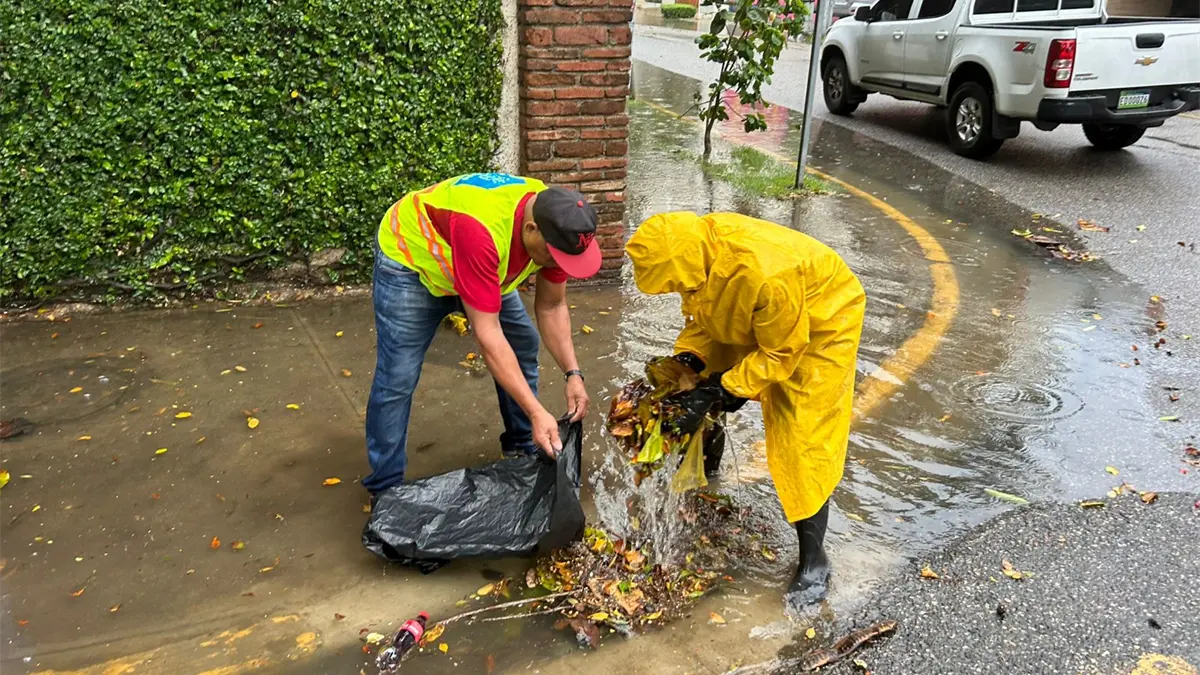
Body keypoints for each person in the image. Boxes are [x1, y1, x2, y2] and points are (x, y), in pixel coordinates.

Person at [625, 211, 866, 611]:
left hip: (821, 322)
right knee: (696, 385)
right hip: (766, 313)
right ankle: (704, 482)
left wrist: (726, 387)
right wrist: (694, 358)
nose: (677, 290)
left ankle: (814, 560)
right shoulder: (696, 253)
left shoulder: (767, 273)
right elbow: (703, 310)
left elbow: (782, 352)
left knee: (802, 434)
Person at [363, 173, 600, 499]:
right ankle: (385, 490)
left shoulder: (559, 227)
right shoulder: (483, 230)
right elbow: (488, 336)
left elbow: (552, 305)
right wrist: (536, 410)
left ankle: (523, 446)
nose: (557, 264)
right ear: (531, 230)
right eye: (554, 257)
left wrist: (573, 374)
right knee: (398, 377)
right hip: (413, 264)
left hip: (480, 267)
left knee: (523, 343)